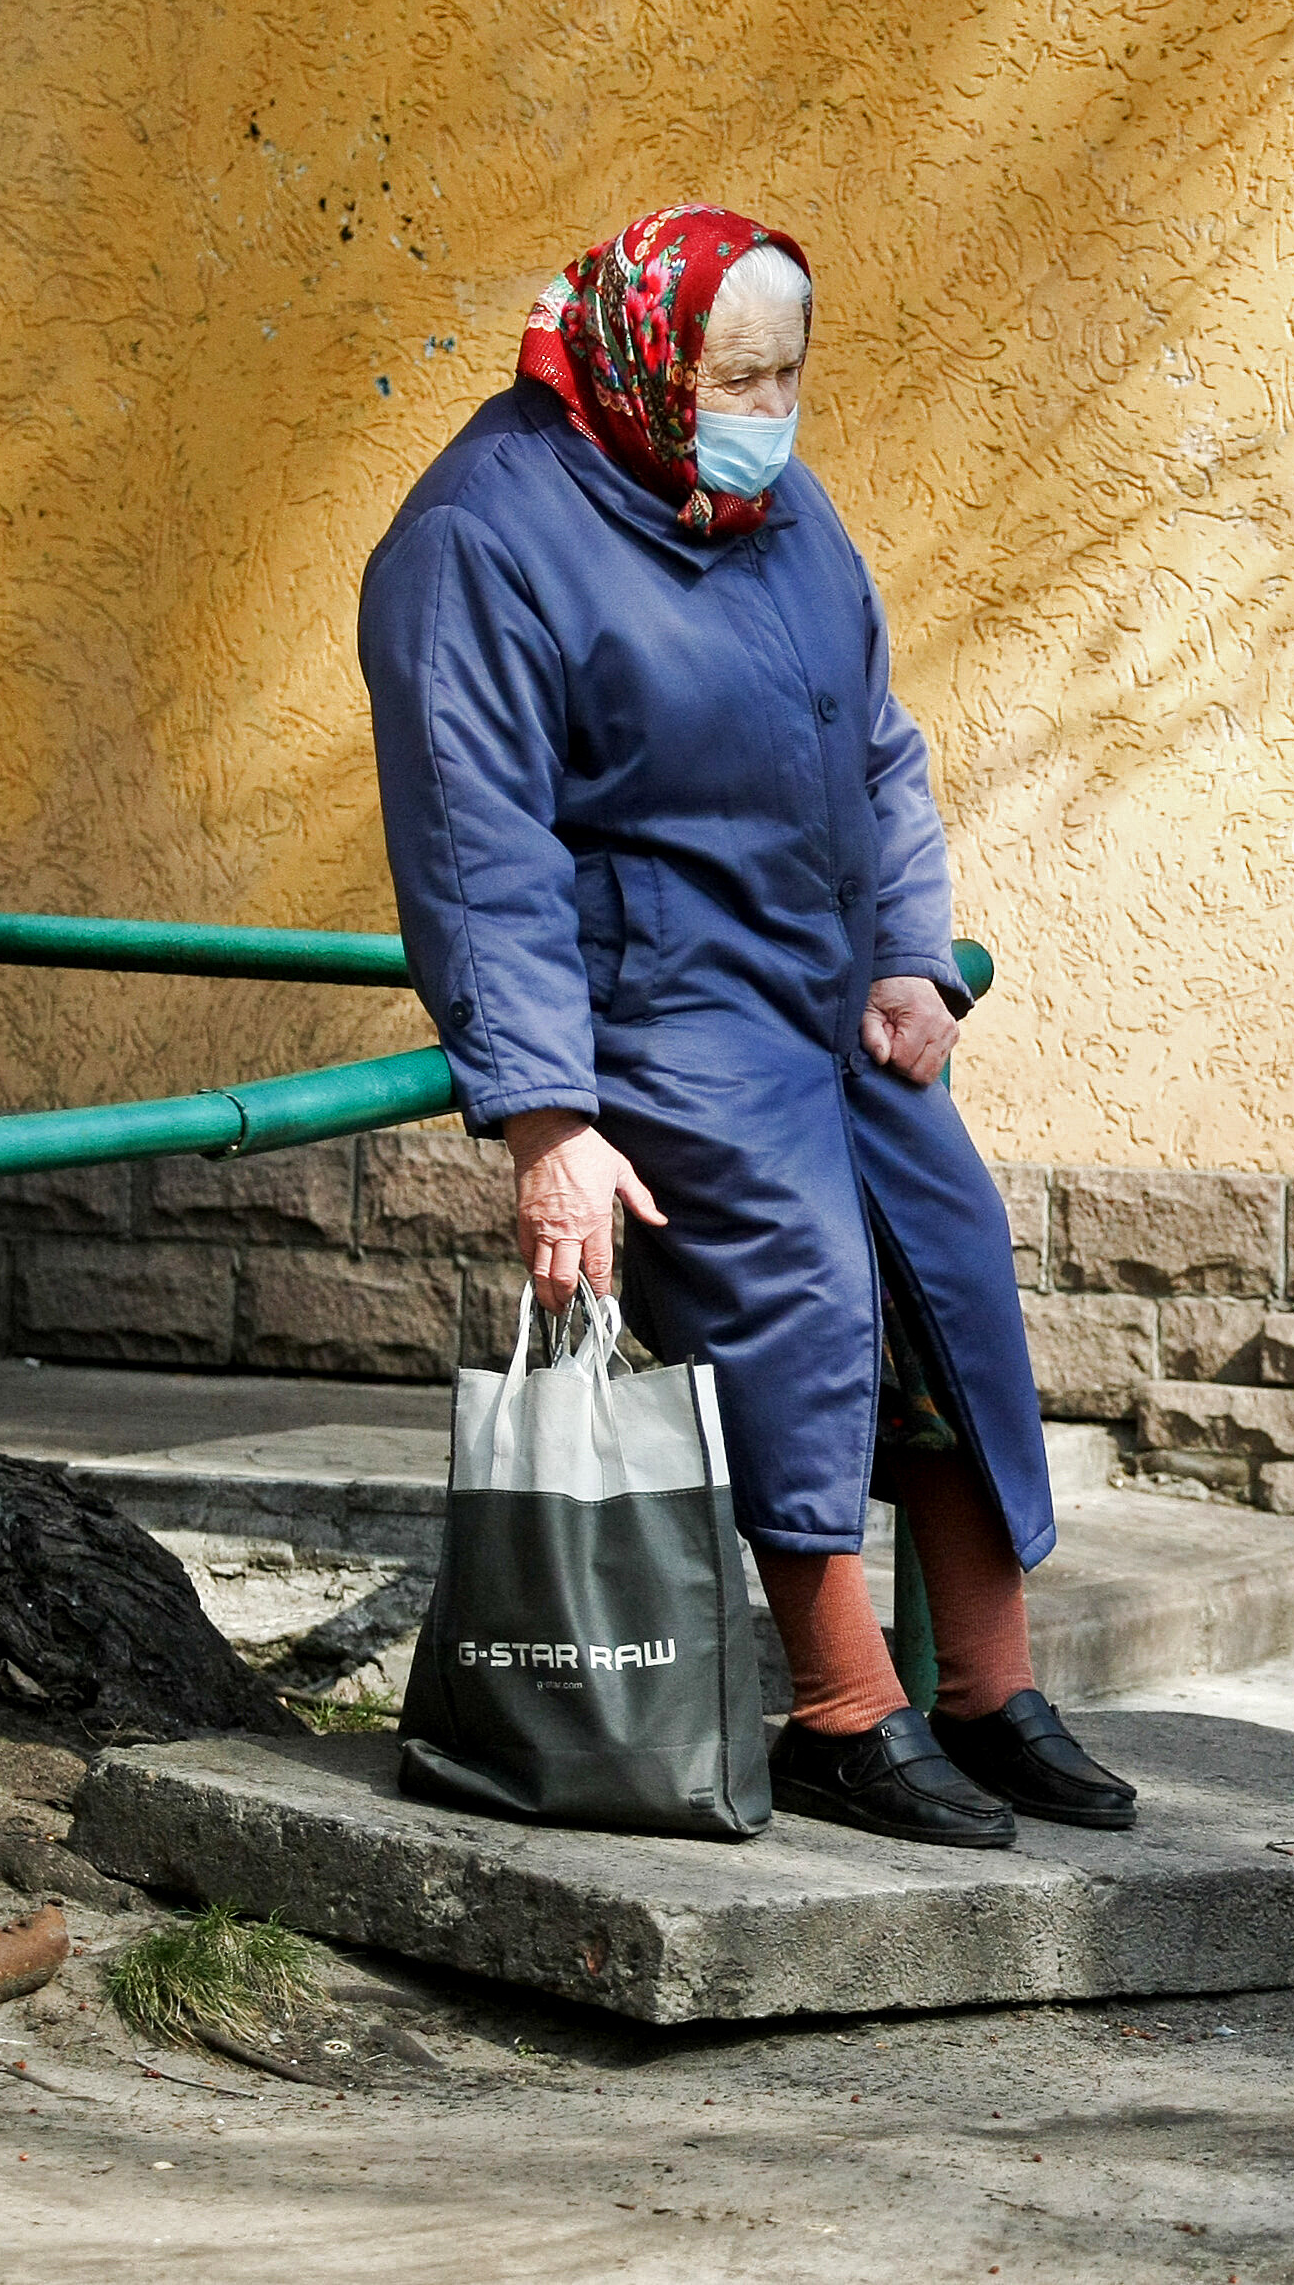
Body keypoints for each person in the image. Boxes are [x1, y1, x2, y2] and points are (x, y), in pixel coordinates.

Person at [355, 204, 1133, 1850]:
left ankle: (993, 1692)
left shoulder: (773, 507)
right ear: (648, 356)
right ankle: (845, 1706)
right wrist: (547, 1118)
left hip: (830, 990)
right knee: (793, 1291)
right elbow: (477, 844)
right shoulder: (479, 537)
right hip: (659, 1005)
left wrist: (917, 953)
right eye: (738, 373)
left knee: (950, 1274)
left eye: (789, 374)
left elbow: (877, 746)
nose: (768, 408)